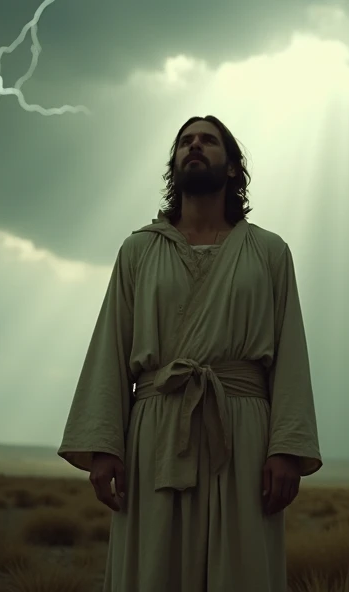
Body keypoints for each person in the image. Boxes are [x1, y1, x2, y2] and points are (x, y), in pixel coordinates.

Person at [57, 115, 323, 592]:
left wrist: (287, 448)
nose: (194, 146)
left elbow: (290, 353)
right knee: (154, 566)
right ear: (174, 164)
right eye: (185, 141)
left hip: (240, 430)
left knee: (239, 569)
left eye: (208, 140)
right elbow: (111, 346)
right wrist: (103, 447)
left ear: (232, 169)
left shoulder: (268, 252)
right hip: (157, 430)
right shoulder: (138, 250)